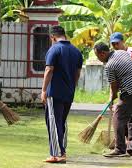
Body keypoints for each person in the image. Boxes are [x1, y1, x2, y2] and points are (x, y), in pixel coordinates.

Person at [94, 42, 132, 158]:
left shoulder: (109, 66)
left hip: (130, 93)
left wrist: (112, 98)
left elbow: (114, 86)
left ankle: (119, 149)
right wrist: (113, 97)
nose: (98, 59)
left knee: (117, 117)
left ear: (103, 53)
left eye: (97, 56)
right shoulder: (122, 52)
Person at [41, 26, 83, 163]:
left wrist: (43, 90)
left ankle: (55, 154)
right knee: (62, 121)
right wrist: (73, 87)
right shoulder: (76, 51)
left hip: (54, 92)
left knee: (53, 121)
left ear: (52, 37)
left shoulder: (54, 49)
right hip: (69, 92)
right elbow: (77, 73)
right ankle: (62, 151)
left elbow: (49, 70)